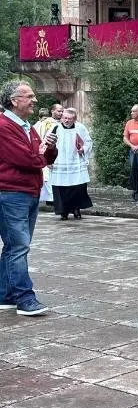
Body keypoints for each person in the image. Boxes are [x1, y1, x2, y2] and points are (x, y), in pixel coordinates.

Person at [0, 81, 57, 316]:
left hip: (27, 191)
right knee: (19, 246)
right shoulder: (4, 126)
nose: (34, 100)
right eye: (29, 96)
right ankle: (25, 298)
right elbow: (28, 160)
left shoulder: (26, 126)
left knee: (14, 247)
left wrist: (49, 148)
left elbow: (43, 156)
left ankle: (5, 295)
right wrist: (41, 154)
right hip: (11, 193)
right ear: (14, 100)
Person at [50, 108, 93, 220]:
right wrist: (48, 160)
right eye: (65, 118)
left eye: (69, 119)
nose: (66, 120)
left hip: (75, 161)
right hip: (60, 161)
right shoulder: (55, 128)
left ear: (74, 119)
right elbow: (47, 142)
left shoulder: (80, 128)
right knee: (61, 188)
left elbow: (88, 142)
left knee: (77, 187)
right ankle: (63, 211)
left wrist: (83, 149)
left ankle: (76, 209)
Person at [33, 104, 61, 206]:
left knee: (46, 176)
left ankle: (48, 198)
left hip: (40, 150)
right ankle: (51, 198)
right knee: (49, 176)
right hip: (49, 150)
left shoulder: (36, 124)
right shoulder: (53, 124)